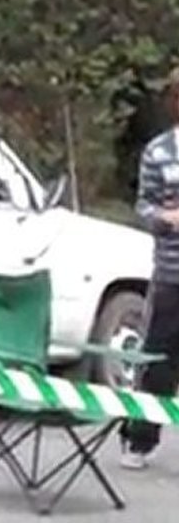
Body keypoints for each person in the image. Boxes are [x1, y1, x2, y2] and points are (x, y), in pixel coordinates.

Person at [120, 65, 179, 470]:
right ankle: (139, 440)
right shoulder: (159, 152)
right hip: (172, 273)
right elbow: (143, 206)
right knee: (157, 360)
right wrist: (164, 218)